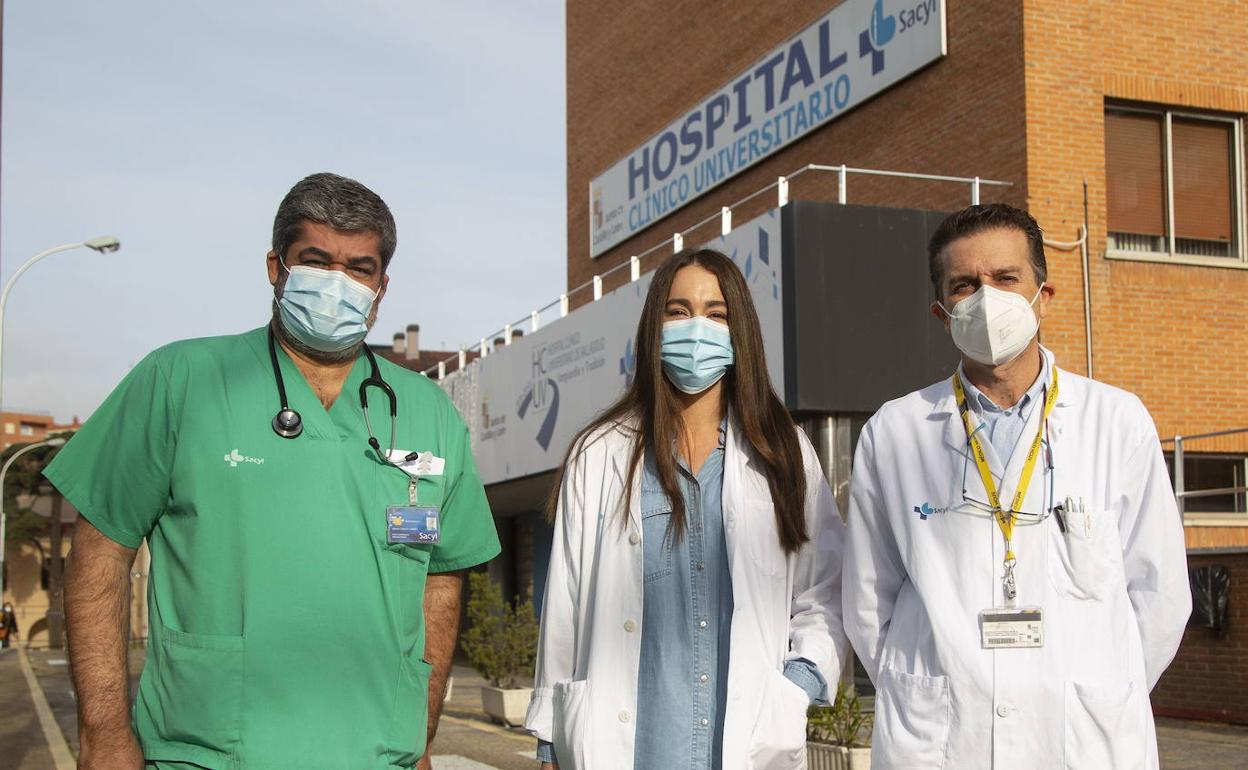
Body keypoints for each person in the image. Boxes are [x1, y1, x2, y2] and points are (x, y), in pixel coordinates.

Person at [46, 172, 501, 770]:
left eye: (359, 269)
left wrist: (423, 735)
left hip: (377, 752)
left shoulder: (427, 411)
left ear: (382, 286)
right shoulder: (182, 380)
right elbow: (100, 553)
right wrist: (104, 735)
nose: (338, 284)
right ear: (275, 267)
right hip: (210, 750)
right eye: (316, 261)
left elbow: (441, 581)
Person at [842, 203, 1191, 769]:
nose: (986, 298)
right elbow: (866, 600)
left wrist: (1098, 689)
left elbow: (1160, 596)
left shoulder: (1117, 421)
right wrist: (926, 688)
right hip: (942, 739)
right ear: (941, 312)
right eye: (964, 285)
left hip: (1084, 739)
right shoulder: (895, 431)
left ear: (1042, 295)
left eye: (1005, 278)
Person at [526, 248, 847, 770]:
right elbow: (565, 602)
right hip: (628, 749)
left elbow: (825, 589)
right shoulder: (600, 452)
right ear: (654, 328)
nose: (696, 327)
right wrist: (548, 738)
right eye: (678, 311)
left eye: (716, 314)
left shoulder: (783, 452)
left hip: (748, 745)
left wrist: (797, 685)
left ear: (739, 332)